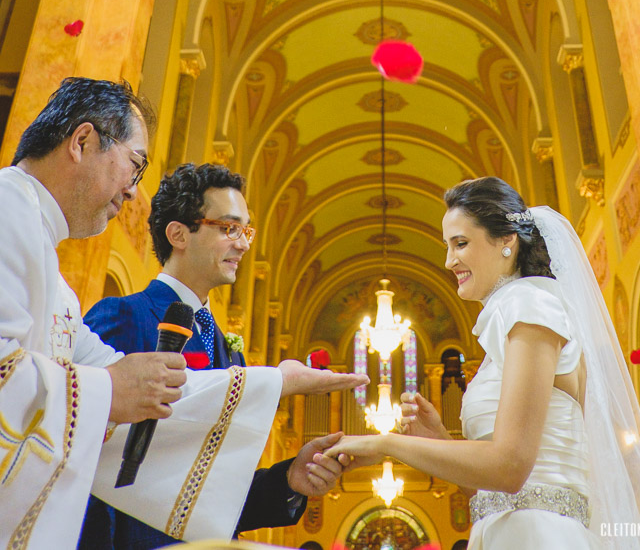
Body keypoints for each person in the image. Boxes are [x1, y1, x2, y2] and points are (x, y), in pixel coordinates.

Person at [0, 77, 367, 550]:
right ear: (83, 142)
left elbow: (154, 409)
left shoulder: (55, 278)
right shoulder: (8, 210)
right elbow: (111, 418)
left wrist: (277, 386)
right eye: (134, 166)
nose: (134, 192)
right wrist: (110, 389)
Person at [326, 177, 640, 550]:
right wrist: (439, 441)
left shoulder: (529, 306)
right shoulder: (514, 321)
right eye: (448, 246)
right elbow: (497, 487)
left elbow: (510, 466)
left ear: (507, 240)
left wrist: (386, 444)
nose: (449, 260)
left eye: (461, 244)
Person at [79, 162, 350, 548]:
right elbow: (89, 455)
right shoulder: (125, 317)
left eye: (245, 231)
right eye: (228, 229)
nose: (242, 243)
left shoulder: (227, 350)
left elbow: (213, 495)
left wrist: (290, 478)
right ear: (179, 234)